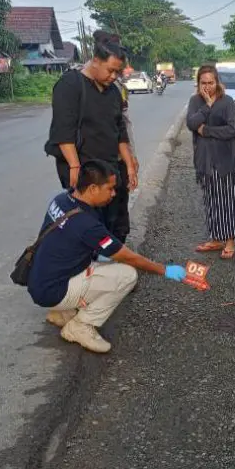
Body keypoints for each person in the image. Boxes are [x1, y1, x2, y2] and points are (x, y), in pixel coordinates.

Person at [28, 160, 187, 353]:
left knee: (103, 260)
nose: (113, 194)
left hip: (41, 281)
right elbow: (129, 257)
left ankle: (62, 312)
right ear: (93, 188)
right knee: (127, 275)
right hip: (54, 290)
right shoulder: (86, 224)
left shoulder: (62, 199)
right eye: (110, 188)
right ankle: (81, 326)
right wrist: (165, 270)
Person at [46, 30, 137, 245]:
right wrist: (75, 167)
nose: (114, 76)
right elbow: (63, 130)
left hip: (111, 168)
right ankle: (89, 267)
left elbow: (119, 130)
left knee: (116, 218)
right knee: (88, 222)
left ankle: (113, 259)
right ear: (96, 61)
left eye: (118, 72)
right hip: (86, 170)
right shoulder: (70, 85)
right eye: (111, 70)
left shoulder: (112, 91)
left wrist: (130, 164)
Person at [186, 65, 235, 260]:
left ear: (217, 82)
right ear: (198, 84)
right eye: (203, 83)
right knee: (211, 202)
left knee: (227, 201)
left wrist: (207, 131)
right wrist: (207, 106)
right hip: (204, 162)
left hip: (225, 162)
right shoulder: (195, 101)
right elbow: (191, 124)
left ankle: (230, 241)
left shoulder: (227, 102)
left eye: (211, 82)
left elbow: (233, 129)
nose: (207, 87)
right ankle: (216, 238)